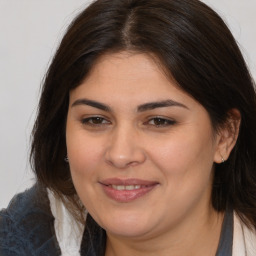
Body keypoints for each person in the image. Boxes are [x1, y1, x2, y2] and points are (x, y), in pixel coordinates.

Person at [1, 0, 256, 255]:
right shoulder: (23, 238)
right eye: (95, 120)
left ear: (225, 135)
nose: (120, 155)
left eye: (159, 121)